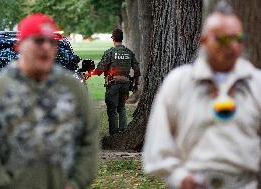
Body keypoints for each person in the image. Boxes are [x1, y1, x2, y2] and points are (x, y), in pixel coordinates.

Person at [143, 4, 261, 189]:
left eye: (237, 38)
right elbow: (157, 145)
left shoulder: (256, 84)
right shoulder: (179, 82)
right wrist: (179, 177)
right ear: (204, 40)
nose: (232, 46)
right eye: (222, 39)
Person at [0, 13, 99, 189]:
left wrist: (75, 182)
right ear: (18, 46)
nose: (46, 47)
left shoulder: (73, 88)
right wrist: (1, 183)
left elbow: (90, 138)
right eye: (38, 41)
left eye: (52, 42)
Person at [91, 28, 140, 135]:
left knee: (112, 109)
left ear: (113, 39)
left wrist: (91, 73)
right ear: (122, 39)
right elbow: (137, 70)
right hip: (126, 84)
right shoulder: (129, 53)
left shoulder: (110, 52)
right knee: (122, 107)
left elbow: (101, 68)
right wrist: (136, 84)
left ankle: (114, 134)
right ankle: (123, 131)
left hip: (113, 84)